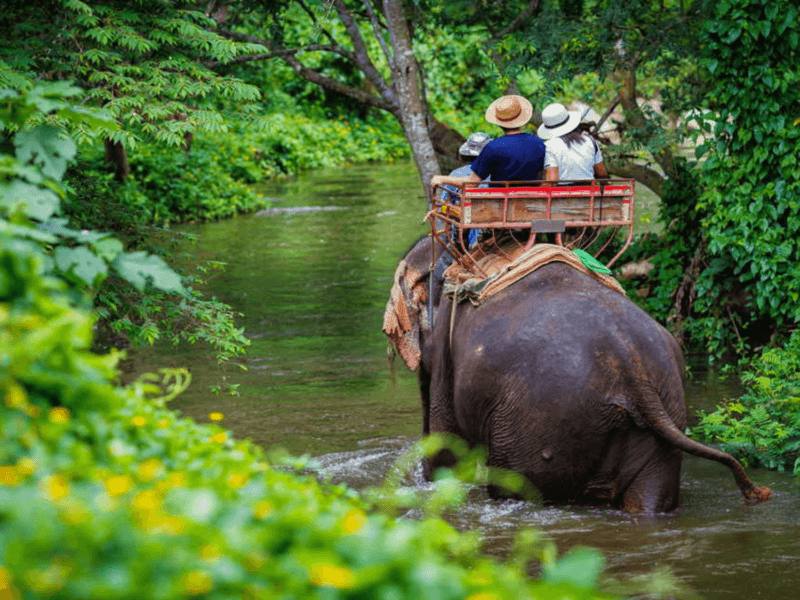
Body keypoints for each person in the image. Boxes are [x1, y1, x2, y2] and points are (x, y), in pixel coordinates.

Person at [430, 95, 545, 190]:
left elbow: (472, 183)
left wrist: (443, 179)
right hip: (531, 201)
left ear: (498, 122)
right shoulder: (538, 142)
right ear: (521, 119)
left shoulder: (493, 147)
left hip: (499, 204)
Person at [537, 102, 608, 181]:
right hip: (588, 190)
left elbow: (552, 180)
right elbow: (602, 173)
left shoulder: (549, 146)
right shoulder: (590, 140)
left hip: (563, 191)